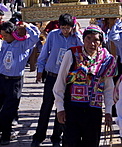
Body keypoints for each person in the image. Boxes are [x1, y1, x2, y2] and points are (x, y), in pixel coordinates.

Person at [53, 25, 117, 147]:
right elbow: (60, 82)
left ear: (101, 42)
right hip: (72, 109)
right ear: (83, 39)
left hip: (94, 111)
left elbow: (109, 88)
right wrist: (60, 108)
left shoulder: (106, 60)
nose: (92, 43)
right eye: (88, 38)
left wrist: (108, 110)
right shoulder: (71, 54)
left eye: (96, 40)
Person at [0, 20, 40, 145]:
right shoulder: (4, 44)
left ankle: (5, 135)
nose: (4, 37)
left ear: (13, 34)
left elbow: (36, 37)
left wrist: (27, 26)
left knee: (8, 111)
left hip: (15, 82)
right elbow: (1, 60)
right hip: (2, 79)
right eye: (2, 35)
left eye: (6, 35)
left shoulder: (24, 44)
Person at [31, 13, 83, 147]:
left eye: (68, 28)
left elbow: (83, 49)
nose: (65, 31)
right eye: (63, 28)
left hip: (68, 79)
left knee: (62, 107)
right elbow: (44, 53)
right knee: (46, 107)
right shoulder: (53, 35)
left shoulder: (76, 37)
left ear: (72, 27)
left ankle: (56, 136)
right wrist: (40, 70)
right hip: (52, 75)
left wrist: (77, 34)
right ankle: (39, 136)